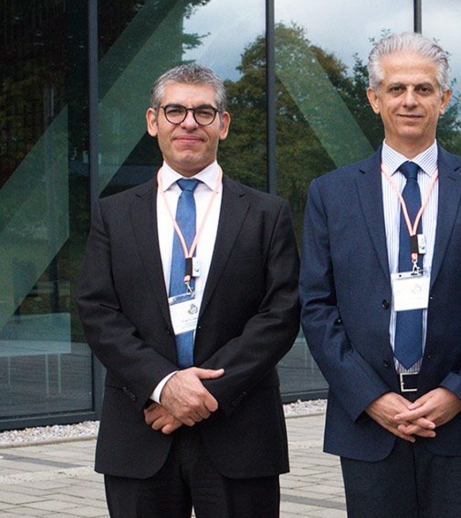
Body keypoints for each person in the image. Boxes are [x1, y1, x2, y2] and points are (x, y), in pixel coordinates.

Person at [299, 32, 461, 518]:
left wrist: (458, 393)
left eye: (423, 89)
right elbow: (317, 307)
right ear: (374, 98)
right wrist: (370, 397)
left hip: (459, 420)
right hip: (368, 422)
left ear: (444, 98)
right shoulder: (331, 194)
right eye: (396, 88)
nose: (410, 100)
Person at [76, 63, 300, 518]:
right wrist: (163, 385)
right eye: (175, 110)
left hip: (240, 431)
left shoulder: (267, 214)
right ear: (153, 121)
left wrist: (198, 395)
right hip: (141, 429)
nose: (189, 123)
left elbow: (280, 314)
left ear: (223, 123)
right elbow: (97, 311)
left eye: (204, 112)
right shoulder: (112, 215)